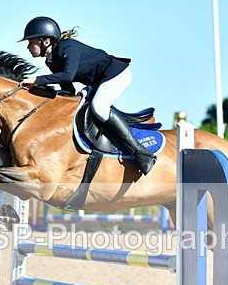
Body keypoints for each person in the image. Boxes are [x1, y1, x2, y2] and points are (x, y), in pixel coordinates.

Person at [19, 16, 156, 175]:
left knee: (99, 107)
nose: (28, 46)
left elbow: (68, 75)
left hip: (116, 74)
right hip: (99, 81)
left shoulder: (67, 48)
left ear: (46, 41)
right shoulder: (50, 61)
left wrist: (37, 80)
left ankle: (141, 153)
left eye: (31, 42)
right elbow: (68, 89)